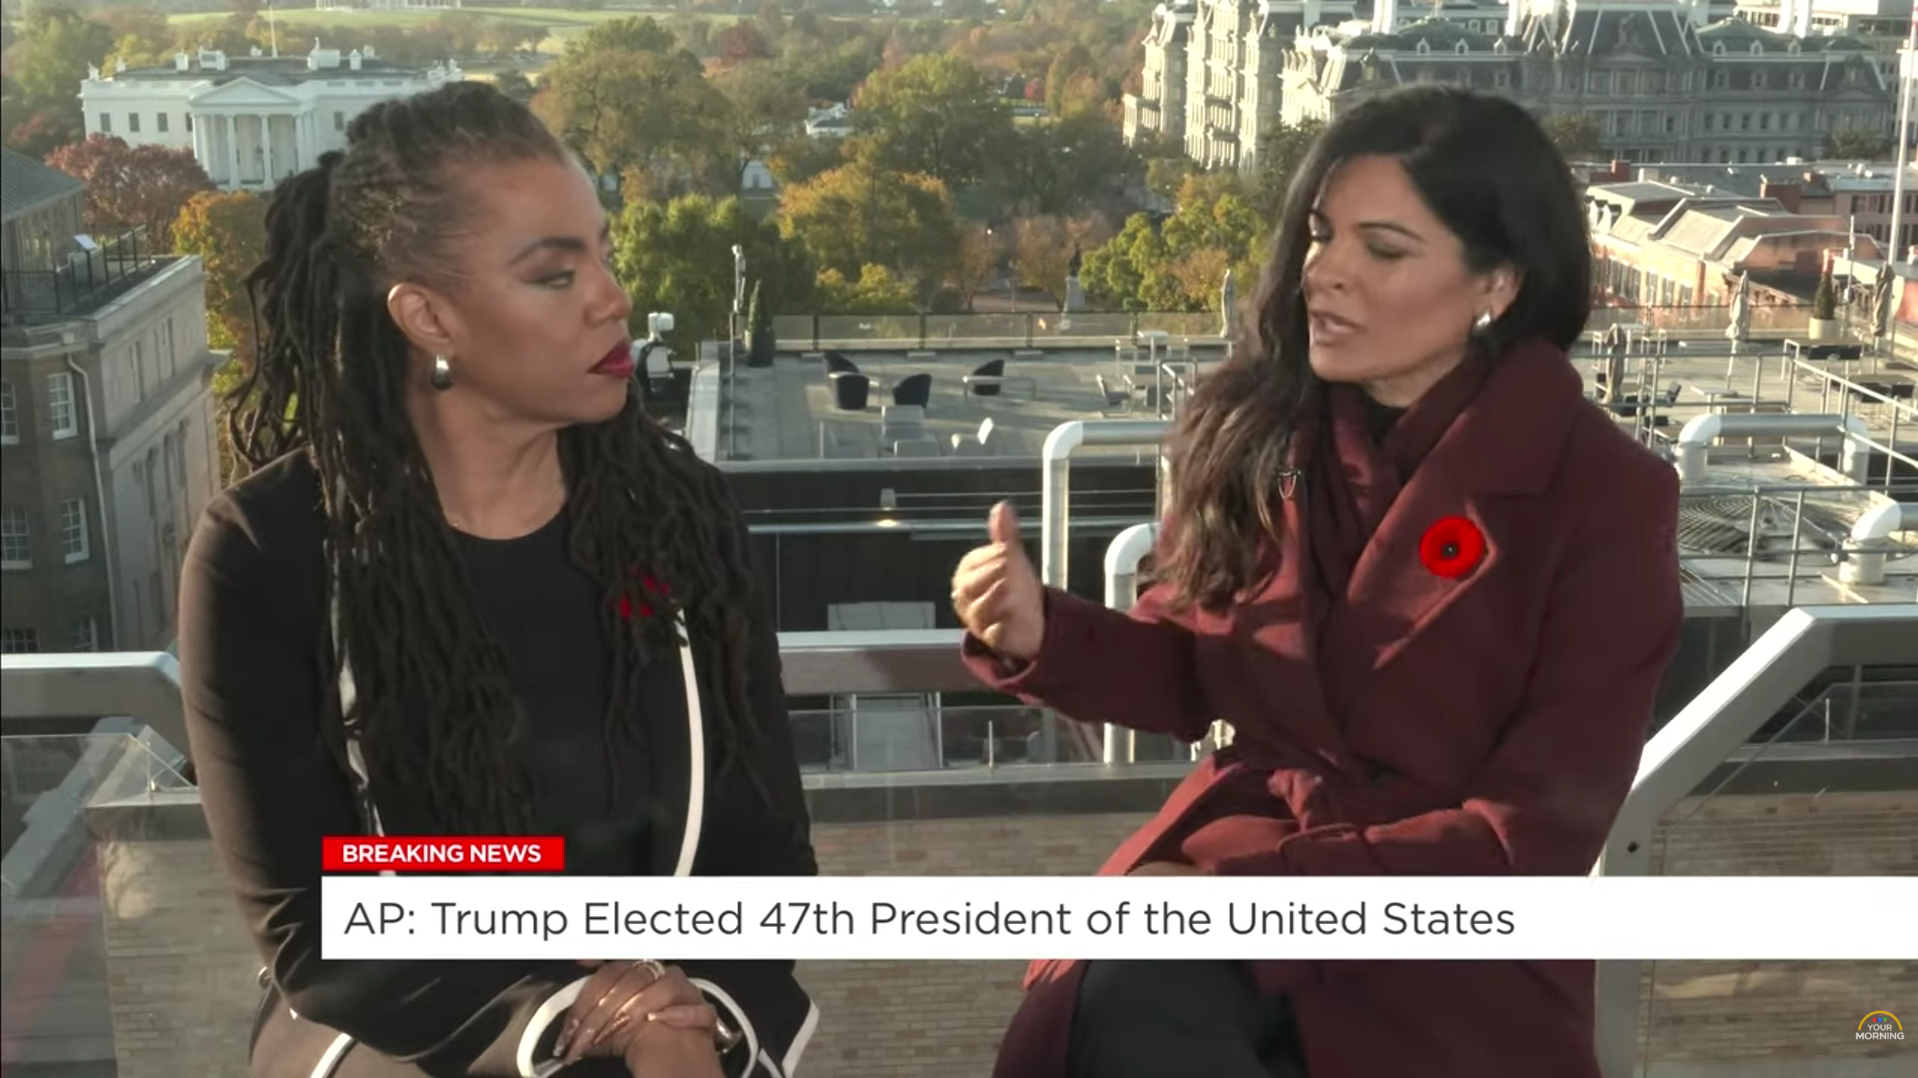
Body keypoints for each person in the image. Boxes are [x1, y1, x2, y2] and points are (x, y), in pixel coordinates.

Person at [950, 87, 1683, 1078]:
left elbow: (1530, 838)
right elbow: (1191, 672)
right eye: (1319, 235)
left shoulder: (1601, 494)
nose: (1323, 274)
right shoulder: (1261, 430)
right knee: (1126, 992)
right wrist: (1039, 631)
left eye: (1381, 249)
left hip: (1443, 950)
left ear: (1496, 283)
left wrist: (1246, 893)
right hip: (1225, 903)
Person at [177, 82, 818, 1078]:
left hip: (680, 1023)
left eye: (602, 252)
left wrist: (688, 1015)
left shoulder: (681, 516)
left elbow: (763, 853)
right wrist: (569, 1021)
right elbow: (316, 923)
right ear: (429, 315)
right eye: (555, 276)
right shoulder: (267, 553)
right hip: (401, 1034)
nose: (610, 295)